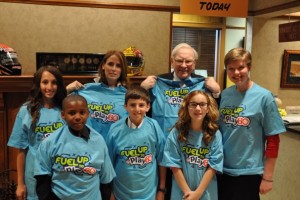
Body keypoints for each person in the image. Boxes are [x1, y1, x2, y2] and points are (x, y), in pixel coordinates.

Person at [140, 42, 221, 199]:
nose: (184, 65)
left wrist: (217, 92)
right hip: (163, 152)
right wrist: (143, 89)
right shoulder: (158, 82)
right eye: (179, 60)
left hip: (190, 152)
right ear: (172, 61)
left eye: (188, 61)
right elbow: (139, 108)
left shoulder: (203, 83)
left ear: (194, 63)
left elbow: (214, 113)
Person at [217, 48, 286, 200]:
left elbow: (273, 140)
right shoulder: (226, 94)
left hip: (249, 172)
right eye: (231, 69)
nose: (236, 73)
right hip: (222, 169)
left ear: (249, 67)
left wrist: (268, 178)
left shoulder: (264, 97)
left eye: (241, 67)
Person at [34, 94, 116, 200]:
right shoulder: (50, 142)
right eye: (72, 113)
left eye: (82, 112)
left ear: (88, 114)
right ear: (63, 115)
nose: (77, 117)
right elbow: (42, 179)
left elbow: (106, 181)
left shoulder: (99, 141)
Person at [7, 65, 67, 200]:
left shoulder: (65, 110)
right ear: (38, 84)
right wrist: (20, 184)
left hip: (61, 175)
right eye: (45, 82)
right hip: (34, 176)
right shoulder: (26, 111)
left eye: (54, 82)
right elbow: (21, 151)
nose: (49, 87)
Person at [106, 86, 166, 200]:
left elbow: (161, 160)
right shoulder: (115, 130)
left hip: (149, 194)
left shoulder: (154, 127)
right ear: (125, 106)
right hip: (121, 193)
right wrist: (111, 191)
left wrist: (161, 189)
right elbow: (109, 164)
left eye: (141, 105)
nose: (137, 109)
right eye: (132, 105)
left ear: (148, 107)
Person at [162, 90, 223, 200]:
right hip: (182, 193)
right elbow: (174, 165)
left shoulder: (215, 134)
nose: (198, 109)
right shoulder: (176, 133)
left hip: (206, 193)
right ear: (187, 107)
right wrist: (188, 193)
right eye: (193, 104)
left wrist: (197, 194)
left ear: (208, 108)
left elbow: (214, 166)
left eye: (202, 104)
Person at [67, 50, 128, 139]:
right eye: (110, 64)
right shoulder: (86, 90)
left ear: (122, 70)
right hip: (88, 144)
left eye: (118, 66)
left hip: (114, 146)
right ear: (103, 65)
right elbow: (60, 105)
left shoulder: (127, 96)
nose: (113, 69)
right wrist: (67, 89)